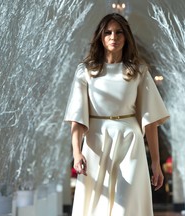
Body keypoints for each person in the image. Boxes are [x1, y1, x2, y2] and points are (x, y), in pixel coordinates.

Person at [64, 13, 169, 216]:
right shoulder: (85, 71)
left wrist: (156, 163)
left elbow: (150, 121)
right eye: (108, 32)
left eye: (119, 32)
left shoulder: (139, 71)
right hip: (95, 141)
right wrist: (77, 153)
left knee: (126, 203)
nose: (114, 37)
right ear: (101, 38)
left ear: (126, 36)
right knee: (98, 206)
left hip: (130, 141)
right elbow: (77, 117)